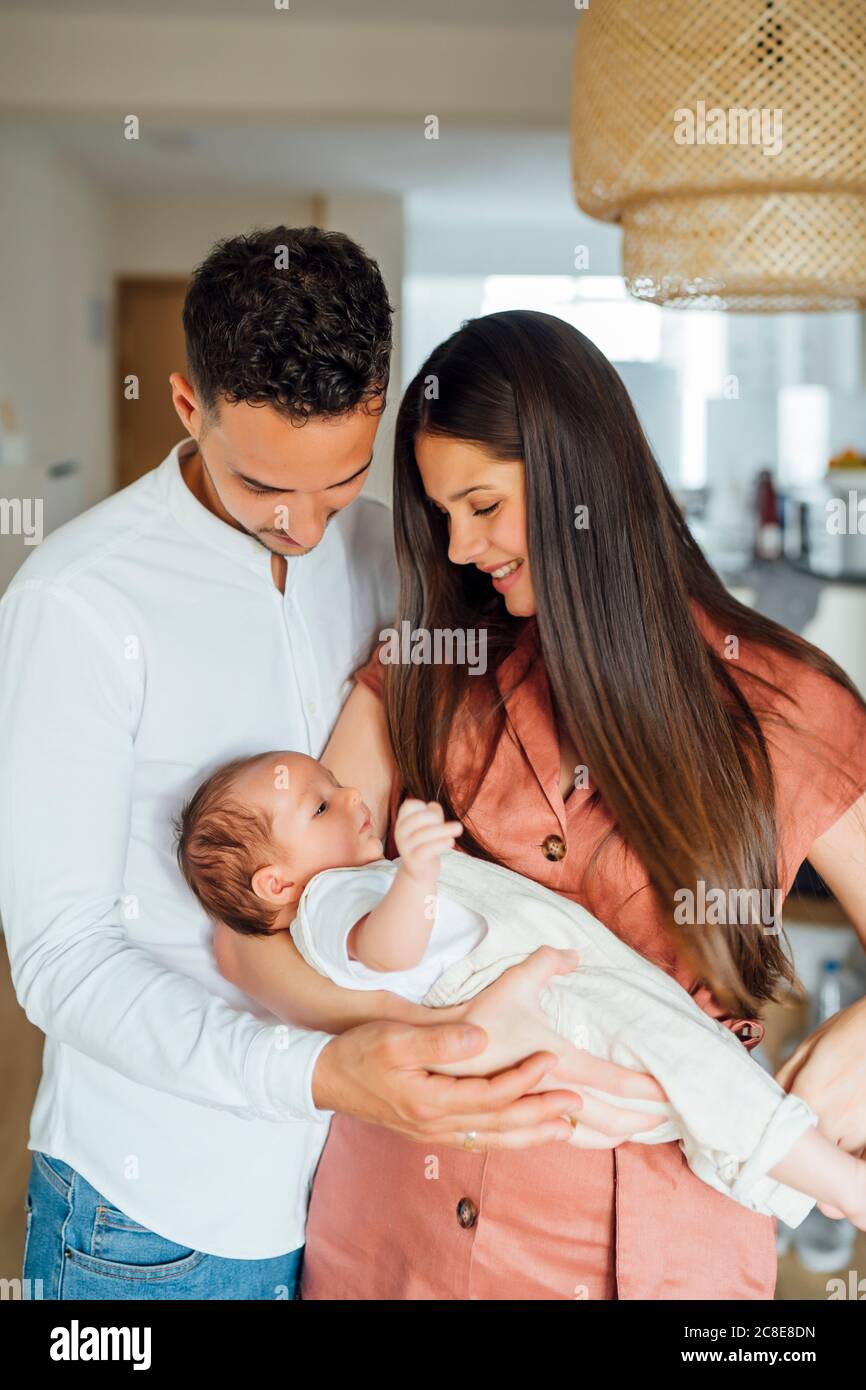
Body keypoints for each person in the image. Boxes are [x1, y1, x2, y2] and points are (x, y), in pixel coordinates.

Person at [0, 231, 657, 1301]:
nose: (304, 525)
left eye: (340, 479)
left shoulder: (393, 555)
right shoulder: (77, 603)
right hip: (159, 1209)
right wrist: (312, 1066)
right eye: (263, 483)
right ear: (185, 407)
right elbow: (61, 960)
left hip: (353, 1190)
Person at [216, 309, 866, 1300]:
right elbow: (252, 937)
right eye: (442, 517)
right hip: (399, 1230)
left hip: (652, 1246)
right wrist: (435, 1035)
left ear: (577, 479)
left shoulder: (783, 703)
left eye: (481, 504)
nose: (463, 545)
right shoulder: (427, 670)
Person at [177, 748, 866, 1231]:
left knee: (696, 1087)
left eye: (337, 784)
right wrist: (416, 876)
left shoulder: (352, 877)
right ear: (275, 884)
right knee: (691, 1068)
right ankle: (842, 1186)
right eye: (322, 804)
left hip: (553, 981)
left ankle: (800, 1175)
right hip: (538, 1006)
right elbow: (384, 951)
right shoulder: (328, 904)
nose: (353, 797)